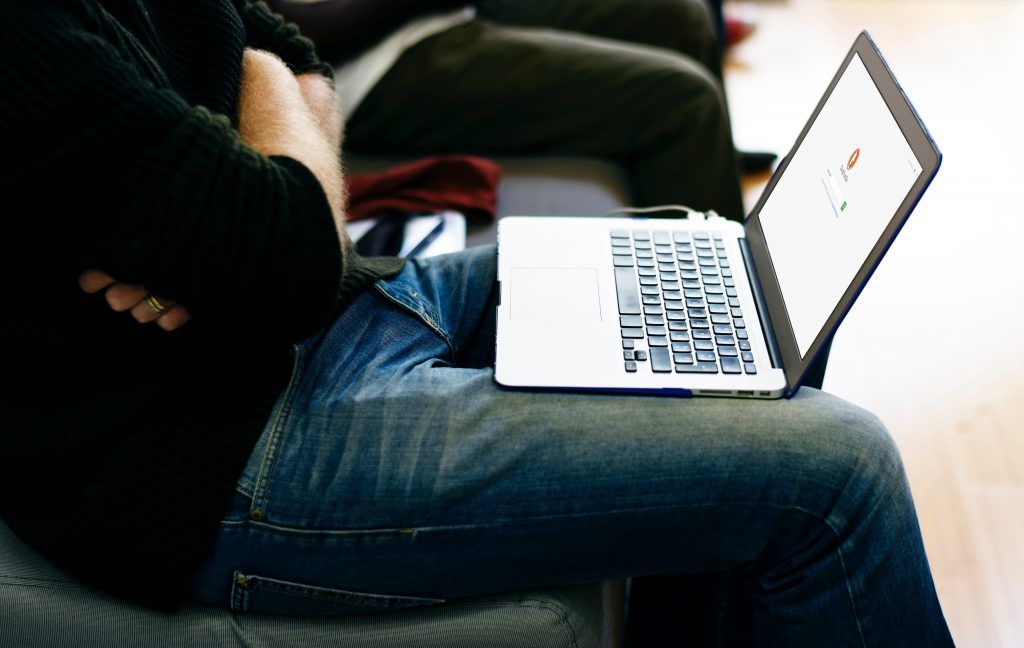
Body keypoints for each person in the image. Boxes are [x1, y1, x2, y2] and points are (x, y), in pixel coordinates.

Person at [0, 2, 956, 646]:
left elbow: (278, 45)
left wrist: (250, 165)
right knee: (841, 468)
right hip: (215, 459)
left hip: (314, 328)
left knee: (730, 267)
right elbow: (287, 238)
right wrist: (260, 153)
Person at [266, 0, 749, 218]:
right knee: (684, 103)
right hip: (368, 66)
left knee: (682, 17)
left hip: (443, 12)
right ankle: (723, 324)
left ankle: (710, 165)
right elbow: (286, 28)